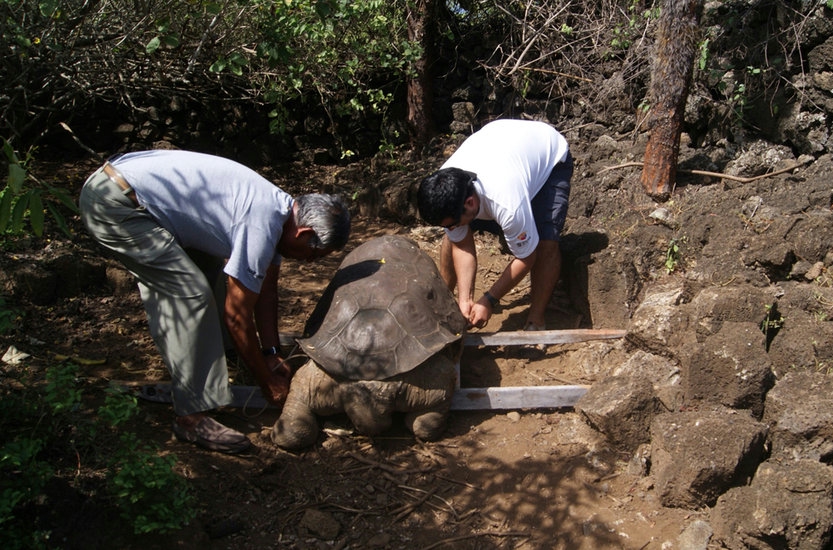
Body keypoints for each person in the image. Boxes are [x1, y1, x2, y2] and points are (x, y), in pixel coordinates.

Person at [79, 150, 350, 453]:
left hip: (132, 193)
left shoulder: (282, 211)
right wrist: (266, 381)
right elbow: (237, 315)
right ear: (305, 232)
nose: (309, 262)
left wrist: (271, 353)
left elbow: (266, 292)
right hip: (115, 204)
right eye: (313, 254)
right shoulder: (261, 222)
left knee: (213, 269)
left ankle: (225, 352)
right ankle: (192, 415)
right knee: (190, 293)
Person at [416, 119, 573, 331]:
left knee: (545, 243)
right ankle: (446, 300)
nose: (451, 228)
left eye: (452, 224)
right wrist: (466, 299)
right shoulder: (445, 187)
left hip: (549, 158)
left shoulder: (508, 205)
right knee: (452, 239)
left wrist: (489, 299)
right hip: (503, 146)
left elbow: (527, 257)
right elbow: (461, 244)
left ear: (469, 203)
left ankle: (536, 321)